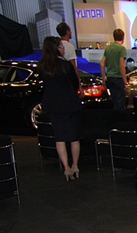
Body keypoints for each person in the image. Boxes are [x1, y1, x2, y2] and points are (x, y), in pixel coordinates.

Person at [40, 36, 82, 181]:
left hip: (53, 106)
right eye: (61, 47)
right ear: (56, 48)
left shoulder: (43, 67)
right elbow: (74, 83)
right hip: (70, 103)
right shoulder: (66, 66)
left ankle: (66, 168)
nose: (63, 49)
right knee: (74, 137)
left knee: (60, 138)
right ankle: (75, 165)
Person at [100, 29, 128, 111]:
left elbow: (101, 64)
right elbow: (121, 66)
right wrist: (125, 82)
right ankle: (120, 121)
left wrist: (103, 80)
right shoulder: (121, 49)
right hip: (118, 78)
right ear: (123, 38)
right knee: (120, 104)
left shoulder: (108, 48)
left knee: (114, 102)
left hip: (110, 78)